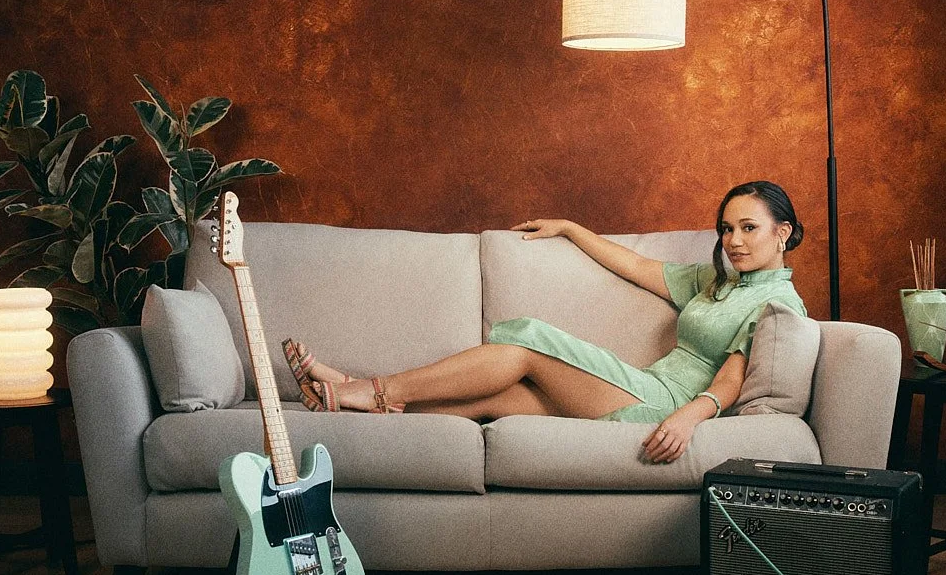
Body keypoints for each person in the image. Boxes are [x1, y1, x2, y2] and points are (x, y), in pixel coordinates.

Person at [290, 181, 807, 464]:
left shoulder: (777, 305)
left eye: (748, 228)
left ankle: (369, 390)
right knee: (496, 401)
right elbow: (633, 264)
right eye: (726, 229)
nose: (733, 240)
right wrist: (571, 227)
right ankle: (358, 407)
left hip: (664, 406)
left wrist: (687, 420)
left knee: (530, 342)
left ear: (782, 232)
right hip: (645, 385)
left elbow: (732, 380)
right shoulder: (715, 279)